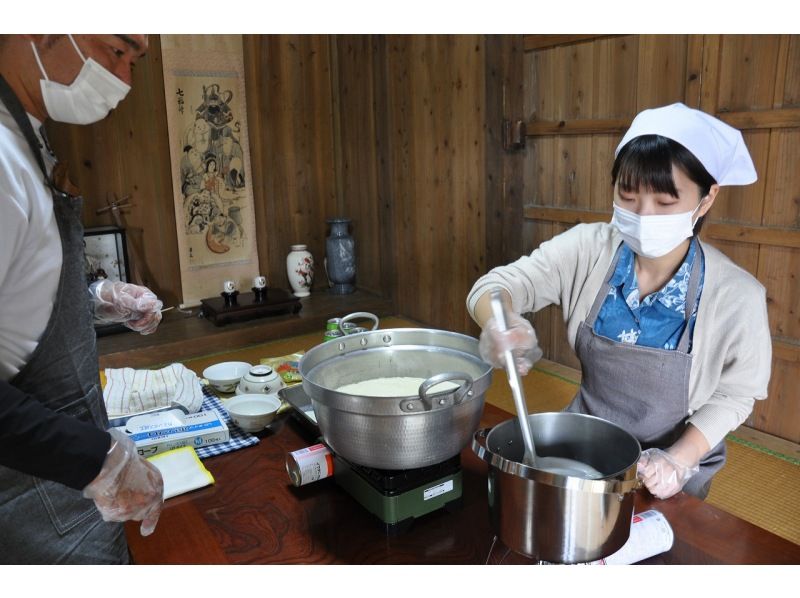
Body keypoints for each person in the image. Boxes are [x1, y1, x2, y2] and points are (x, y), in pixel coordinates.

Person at [467, 103, 771, 501]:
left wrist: (679, 459)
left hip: (670, 474)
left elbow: (736, 393)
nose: (643, 215)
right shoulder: (588, 249)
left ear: (707, 198)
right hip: (583, 450)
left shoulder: (736, 295)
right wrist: (500, 319)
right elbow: (497, 285)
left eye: (664, 203)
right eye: (627, 196)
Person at [0, 34, 166, 564]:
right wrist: (100, 461)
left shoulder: (29, 139)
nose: (124, 79)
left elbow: (18, 293)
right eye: (118, 50)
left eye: (135, 61)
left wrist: (96, 297)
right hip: (33, 498)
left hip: (68, 485)